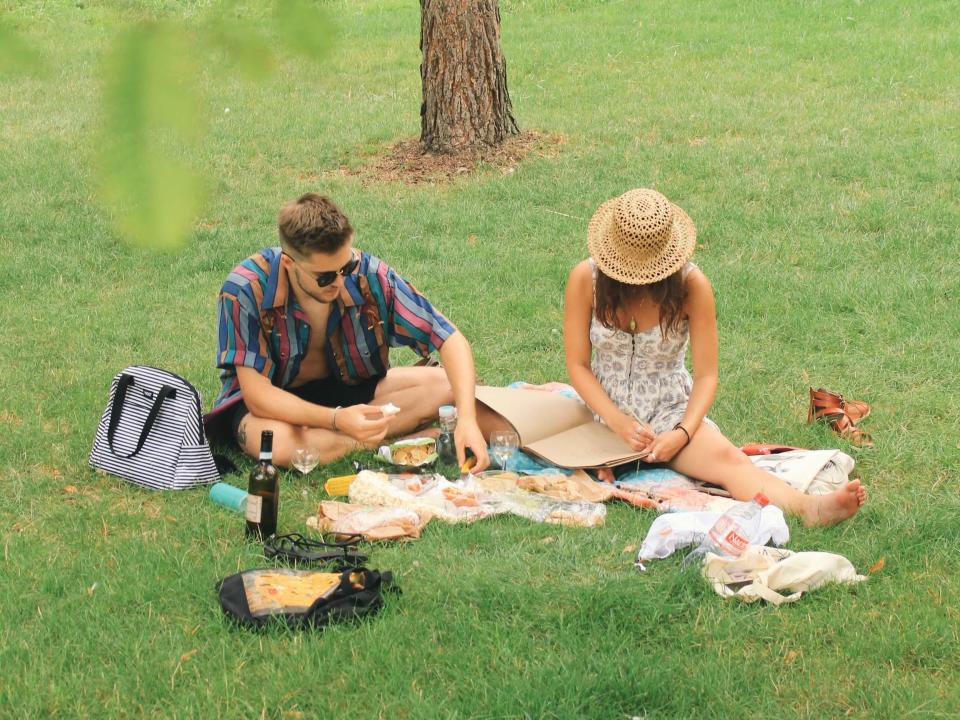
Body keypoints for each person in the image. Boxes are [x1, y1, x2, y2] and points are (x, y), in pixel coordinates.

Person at [562, 188, 865, 526]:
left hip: (669, 408)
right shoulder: (585, 280)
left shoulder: (692, 287)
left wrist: (682, 432)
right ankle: (608, 457)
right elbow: (578, 366)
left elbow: (706, 376)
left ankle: (811, 508)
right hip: (602, 411)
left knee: (727, 459)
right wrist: (617, 422)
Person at [206, 192, 489, 470]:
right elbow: (258, 397)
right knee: (277, 445)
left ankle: (340, 441)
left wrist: (467, 419)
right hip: (275, 406)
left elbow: (449, 337)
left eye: (346, 266)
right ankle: (380, 440)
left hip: (348, 389)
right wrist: (337, 420)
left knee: (446, 385)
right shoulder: (246, 288)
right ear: (290, 263)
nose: (340, 282)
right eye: (325, 276)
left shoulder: (370, 274)